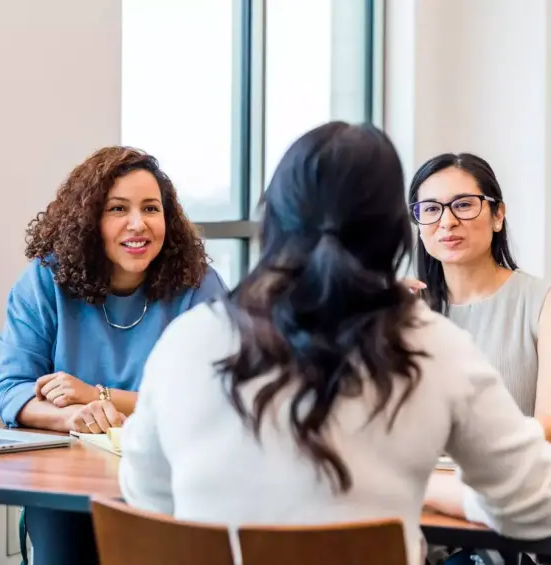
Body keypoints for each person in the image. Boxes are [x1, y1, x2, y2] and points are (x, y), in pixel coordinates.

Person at [119, 122, 551, 565]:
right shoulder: (431, 347)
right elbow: (539, 506)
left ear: (274, 218)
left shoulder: (191, 338)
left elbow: (146, 494)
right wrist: (438, 489)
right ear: (395, 231)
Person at [0, 146, 227, 565]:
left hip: (171, 476)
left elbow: (212, 400)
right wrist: (71, 417)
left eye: (151, 209)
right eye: (119, 209)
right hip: (65, 483)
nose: (139, 224)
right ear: (89, 221)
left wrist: (96, 396)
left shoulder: (199, 286)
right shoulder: (46, 282)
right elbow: (11, 389)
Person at [407, 153, 551, 433]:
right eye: (431, 209)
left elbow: (548, 426)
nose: (447, 221)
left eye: (462, 205)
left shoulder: (541, 303)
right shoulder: (405, 310)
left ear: (498, 215)